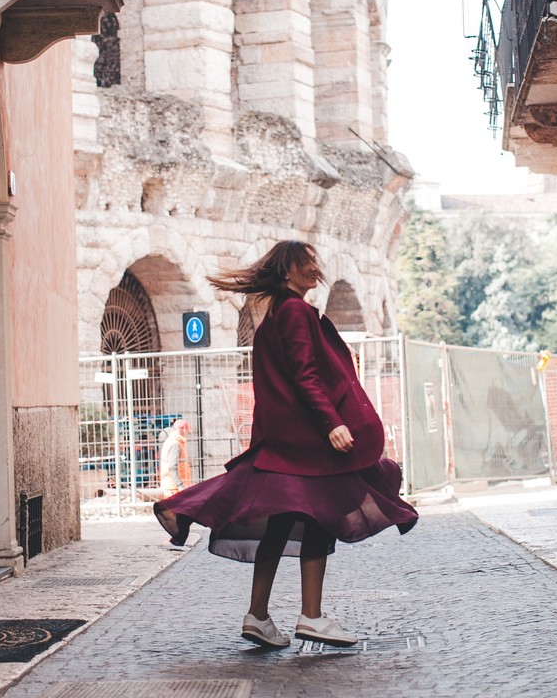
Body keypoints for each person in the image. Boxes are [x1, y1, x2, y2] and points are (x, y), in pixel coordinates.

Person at [153, 240, 418, 649]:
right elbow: (304, 374)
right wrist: (332, 423)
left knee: (278, 525)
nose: (314, 268)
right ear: (286, 271)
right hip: (307, 442)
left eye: (313, 261)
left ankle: (258, 616)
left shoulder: (278, 313)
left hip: (288, 439)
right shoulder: (294, 311)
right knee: (319, 520)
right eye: (304, 262)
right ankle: (311, 617)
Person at [158, 417, 192, 496]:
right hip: (174, 488)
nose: (187, 434)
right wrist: (180, 485)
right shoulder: (176, 444)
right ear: (183, 430)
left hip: (172, 486)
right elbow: (173, 467)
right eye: (187, 432)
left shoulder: (171, 441)